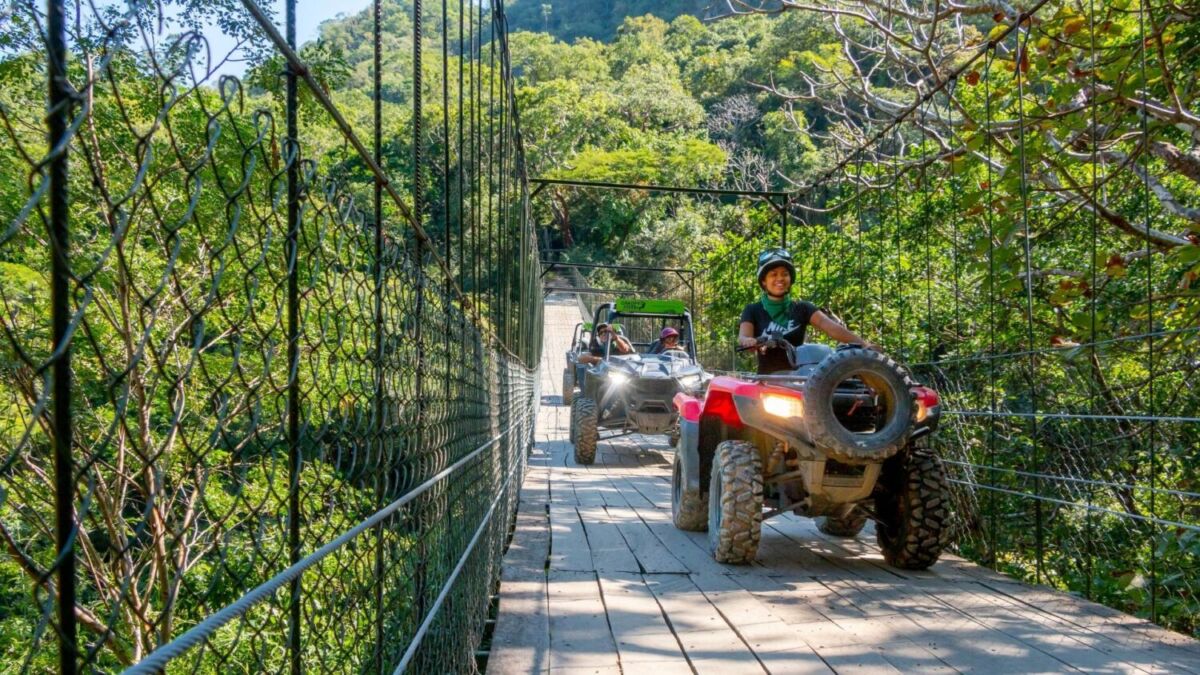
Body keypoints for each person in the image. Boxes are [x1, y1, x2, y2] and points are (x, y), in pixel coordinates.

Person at [738, 248, 878, 374]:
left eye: (784, 274)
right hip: (768, 380)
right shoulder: (753, 310)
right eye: (773, 275)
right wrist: (749, 341)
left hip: (799, 378)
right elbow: (743, 336)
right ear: (763, 281)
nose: (780, 278)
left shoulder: (802, 308)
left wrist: (864, 345)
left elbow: (831, 328)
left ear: (790, 278)